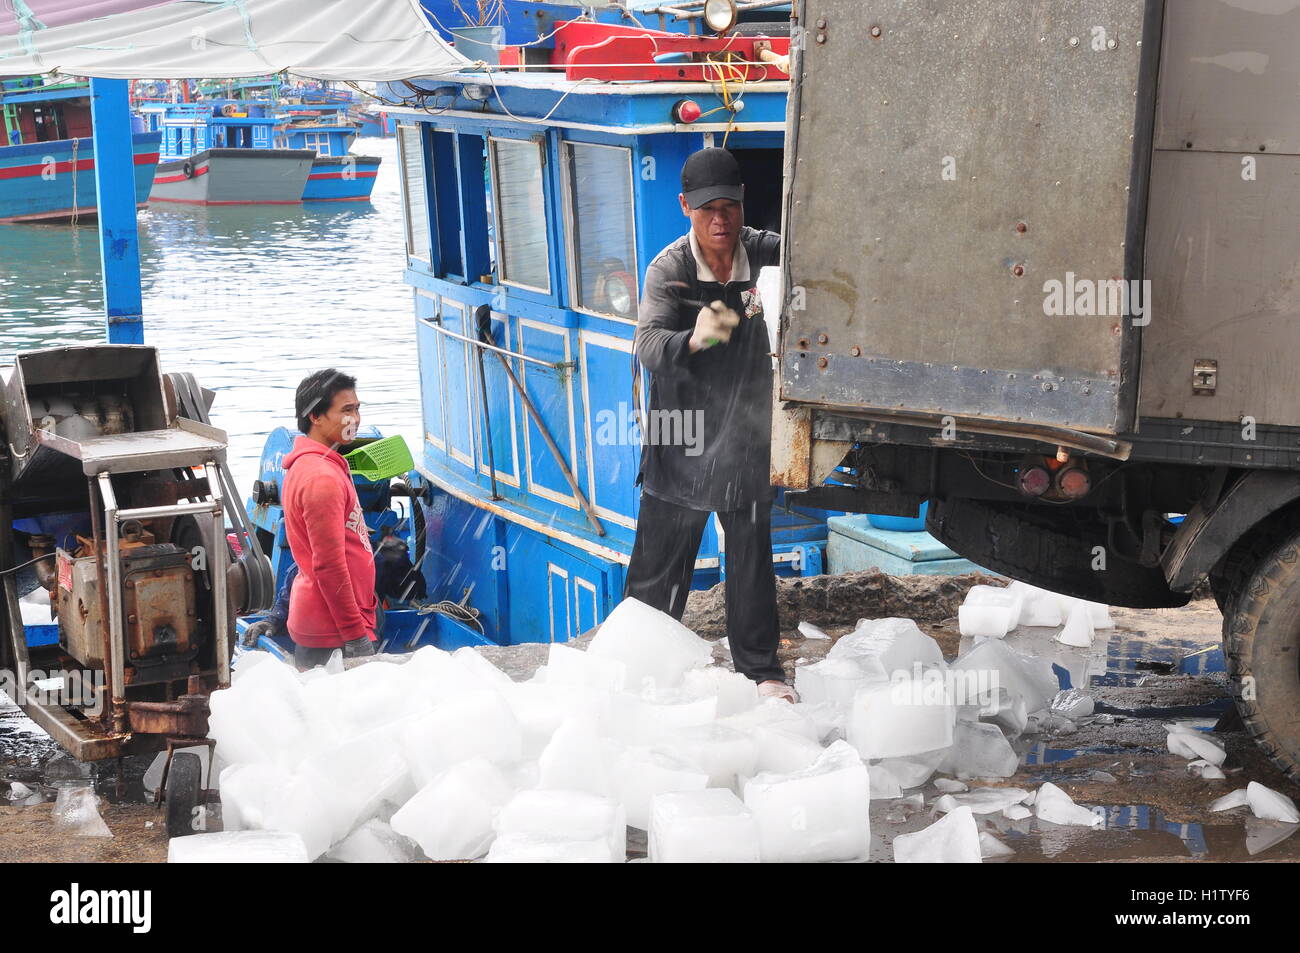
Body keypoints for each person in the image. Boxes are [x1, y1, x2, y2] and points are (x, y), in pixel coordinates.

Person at [627, 147, 795, 701]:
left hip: (745, 431)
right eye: (706, 210)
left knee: (750, 559)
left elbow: (816, 256)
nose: (719, 220)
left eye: (728, 207)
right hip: (680, 432)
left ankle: (762, 672)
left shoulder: (765, 253)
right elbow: (647, 346)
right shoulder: (669, 269)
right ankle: (643, 676)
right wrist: (695, 338)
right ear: (685, 207)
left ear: (743, 204)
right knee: (660, 565)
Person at [280, 369, 377, 669]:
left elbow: (307, 554)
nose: (356, 419)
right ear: (315, 417)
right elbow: (328, 566)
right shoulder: (322, 478)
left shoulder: (315, 464)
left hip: (328, 624)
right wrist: (355, 636)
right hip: (333, 634)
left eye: (358, 408)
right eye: (346, 411)